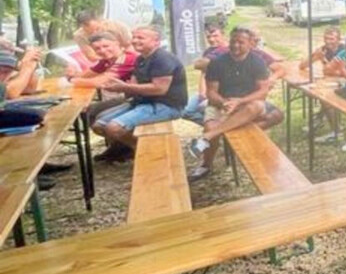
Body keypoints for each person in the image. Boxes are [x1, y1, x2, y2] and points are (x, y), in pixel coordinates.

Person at [186, 27, 273, 181]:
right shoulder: (217, 63)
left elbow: (263, 91)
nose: (235, 45)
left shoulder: (257, 62)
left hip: (247, 103)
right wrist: (225, 103)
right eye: (233, 41)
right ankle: (206, 165)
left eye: (241, 42)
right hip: (221, 102)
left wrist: (240, 101)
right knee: (210, 125)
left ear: (250, 44)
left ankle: (207, 137)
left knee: (257, 106)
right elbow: (211, 93)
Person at [92, 26, 188, 156]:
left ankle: (148, 152)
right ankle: (139, 147)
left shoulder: (163, 59)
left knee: (113, 128)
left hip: (167, 106)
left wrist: (124, 87)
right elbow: (133, 84)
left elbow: (159, 89)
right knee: (98, 125)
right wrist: (117, 85)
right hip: (142, 102)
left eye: (141, 38)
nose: (135, 41)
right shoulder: (140, 59)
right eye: (134, 37)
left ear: (156, 41)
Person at [181, 23, 228, 124]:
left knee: (204, 109)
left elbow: (197, 64)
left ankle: (217, 126)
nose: (211, 39)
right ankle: (216, 126)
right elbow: (203, 73)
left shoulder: (227, 50)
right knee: (185, 111)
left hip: (220, 92)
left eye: (215, 36)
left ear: (223, 35)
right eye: (208, 37)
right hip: (206, 90)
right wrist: (202, 92)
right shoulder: (209, 51)